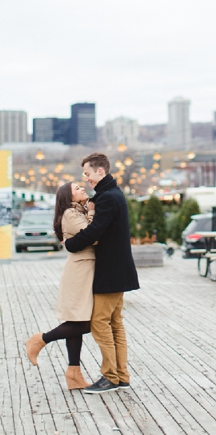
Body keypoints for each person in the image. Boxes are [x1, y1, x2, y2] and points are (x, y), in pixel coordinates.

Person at [64, 152, 140, 395]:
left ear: (100, 171)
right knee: (115, 324)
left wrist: (70, 244)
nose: (85, 178)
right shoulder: (113, 195)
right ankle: (121, 375)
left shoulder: (107, 198)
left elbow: (95, 231)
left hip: (110, 272)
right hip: (119, 271)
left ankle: (111, 377)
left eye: (87, 173)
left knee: (99, 323)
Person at [24, 182, 96, 390]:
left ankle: (74, 374)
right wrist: (91, 213)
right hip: (79, 272)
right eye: (77, 188)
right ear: (68, 196)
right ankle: (40, 340)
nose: (82, 188)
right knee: (84, 323)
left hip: (85, 270)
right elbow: (92, 236)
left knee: (77, 322)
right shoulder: (70, 214)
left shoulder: (77, 210)